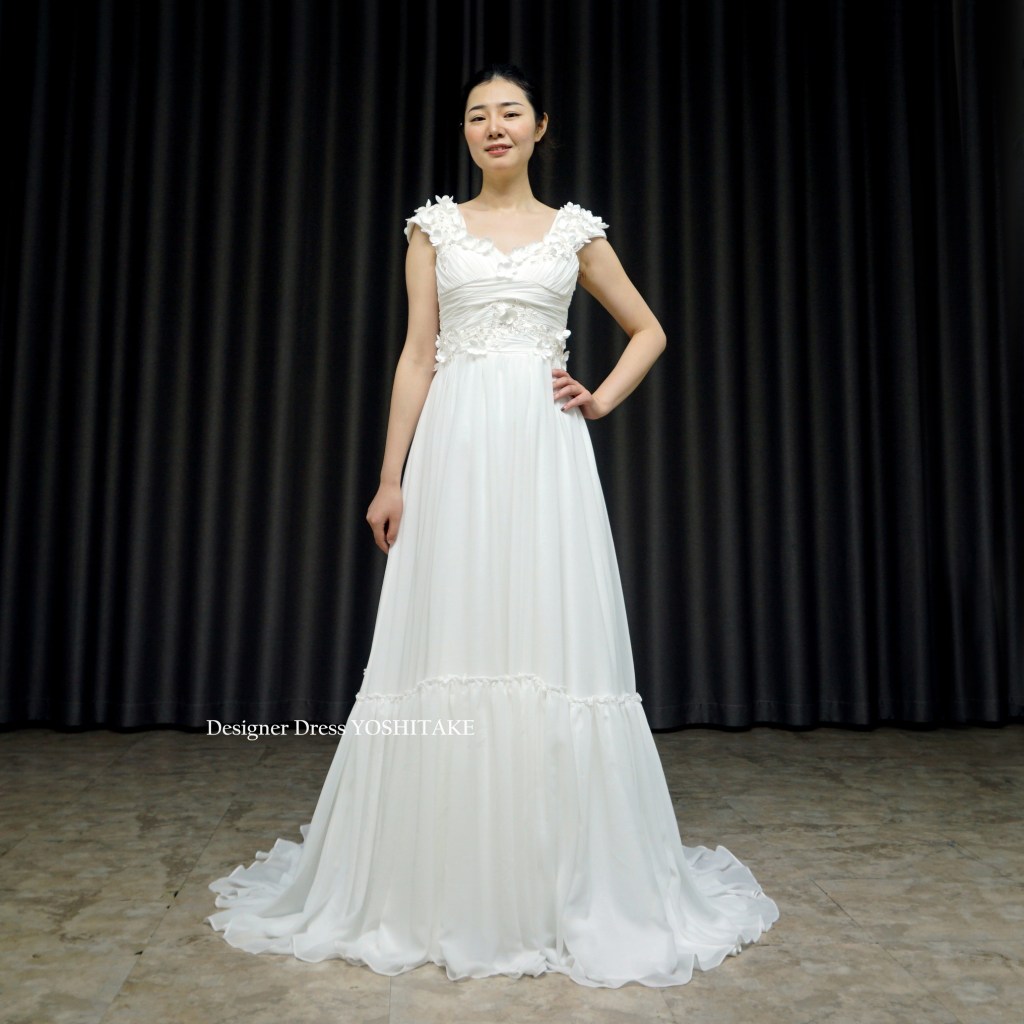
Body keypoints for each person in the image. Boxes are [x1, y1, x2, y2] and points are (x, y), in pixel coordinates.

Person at [206, 63, 779, 988]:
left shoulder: (574, 232)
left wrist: (599, 399)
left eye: (510, 112)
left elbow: (649, 330)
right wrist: (390, 477)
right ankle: (437, 881)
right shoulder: (433, 229)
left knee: (550, 644)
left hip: (545, 455)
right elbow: (417, 355)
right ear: (467, 133)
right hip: (457, 450)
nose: (494, 126)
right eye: (478, 115)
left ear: (540, 125)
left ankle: (554, 882)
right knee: (452, 639)